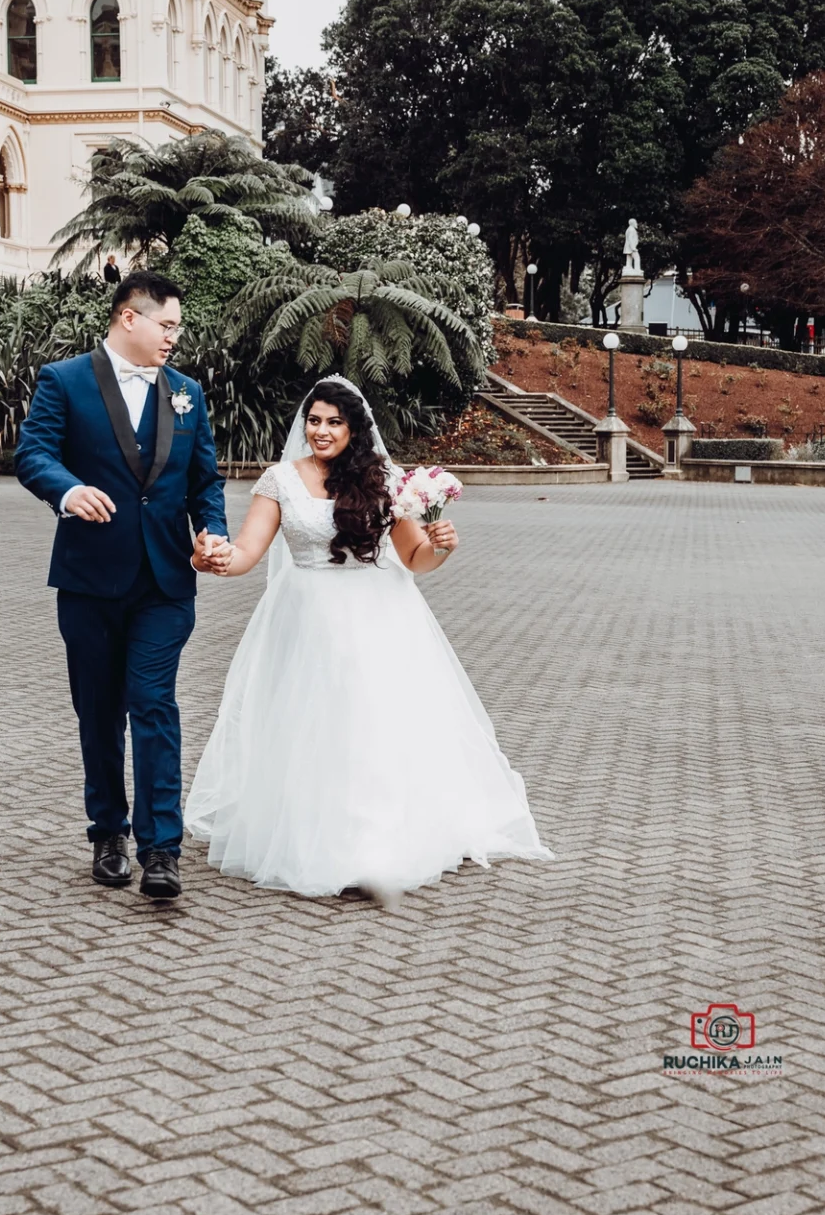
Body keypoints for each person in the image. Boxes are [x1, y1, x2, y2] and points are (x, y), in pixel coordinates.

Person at [185, 377, 552, 900]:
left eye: (334, 422)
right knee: (311, 725)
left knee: (370, 721)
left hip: (378, 614)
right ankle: (315, 836)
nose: (321, 431)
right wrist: (212, 559)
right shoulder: (280, 480)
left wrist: (442, 545)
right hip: (304, 617)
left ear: (355, 429)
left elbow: (416, 560)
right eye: (314, 420)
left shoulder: (386, 481)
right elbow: (245, 553)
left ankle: (371, 846)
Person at [15, 272, 231, 901]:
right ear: (126, 318)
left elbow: (205, 482)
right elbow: (33, 454)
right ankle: (107, 832)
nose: (174, 337)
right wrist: (68, 489)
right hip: (89, 581)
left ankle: (161, 849)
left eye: (178, 328)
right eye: (167, 325)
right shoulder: (64, 380)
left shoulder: (187, 393)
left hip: (167, 581)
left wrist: (211, 533)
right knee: (99, 711)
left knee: (153, 704)